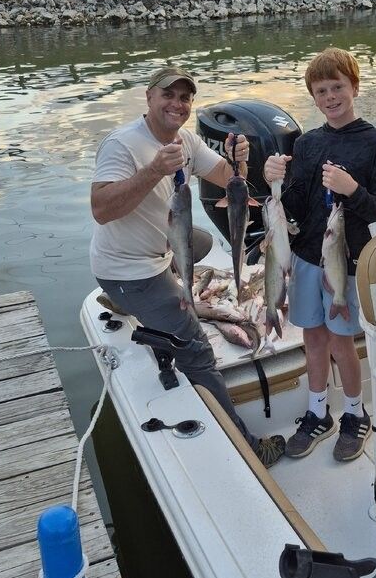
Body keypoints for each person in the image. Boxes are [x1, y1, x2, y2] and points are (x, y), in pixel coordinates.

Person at [90, 65, 285, 468]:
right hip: (128, 268)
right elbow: (101, 210)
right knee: (197, 350)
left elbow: (229, 179)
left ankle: (150, 304)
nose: (177, 104)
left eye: (185, 97)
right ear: (148, 97)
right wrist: (154, 171)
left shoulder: (187, 140)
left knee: (203, 241)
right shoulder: (122, 145)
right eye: (168, 95)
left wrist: (240, 162)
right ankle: (248, 448)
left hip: (158, 252)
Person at [263, 48, 376, 463]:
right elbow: (298, 205)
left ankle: (355, 414)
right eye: (321, 91)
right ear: (314, 98)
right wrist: (276, 179)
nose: (331, 97)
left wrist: (350, 188)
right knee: (313, 340)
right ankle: (318, 413)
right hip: (305, 257)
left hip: (346, 261)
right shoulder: (307, 143)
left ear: (354, 87)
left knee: (342, 342)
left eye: (338, 87)